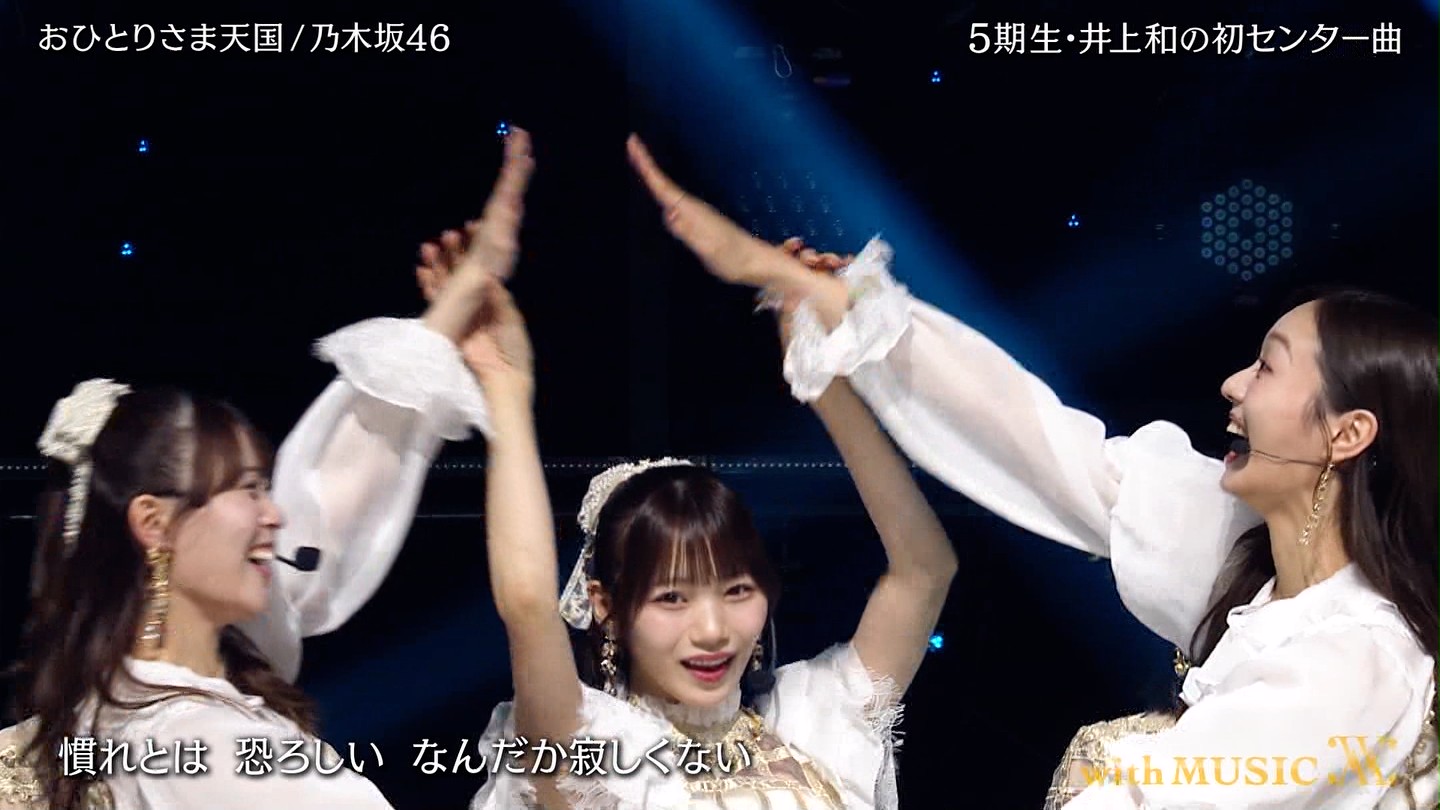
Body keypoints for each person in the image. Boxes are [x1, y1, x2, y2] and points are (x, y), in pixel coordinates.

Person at [624, 134, 1437, 809]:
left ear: (1349, 434)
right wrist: (809, 295)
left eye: (1267, 368)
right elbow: (1027, 436)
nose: (1232, 385)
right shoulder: (1245, 557)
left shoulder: (1349, 663)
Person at [0, 129, 535, 810]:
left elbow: (329, 509)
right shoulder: (200, 743)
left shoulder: (111, 713)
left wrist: (456, 308)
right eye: (248, 488)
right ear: (154, 523)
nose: (276, 513)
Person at [413, 197, 957, 809]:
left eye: (737, 590)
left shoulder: (811, 720)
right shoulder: (597, 754)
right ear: (605, 606)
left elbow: (924, 570)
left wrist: (820, 377)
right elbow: (527, 603)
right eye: (672, 597)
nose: (713, 630)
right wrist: (505, 390)